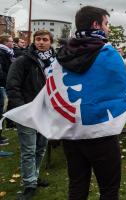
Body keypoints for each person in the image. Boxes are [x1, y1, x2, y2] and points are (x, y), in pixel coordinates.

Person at [56, 6, 123, 200]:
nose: (108, 29)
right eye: (106, 24)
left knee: (77, 186)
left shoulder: (62, 54)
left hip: (71, 130)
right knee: (109, 190)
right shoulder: (108, 53)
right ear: (96, 25)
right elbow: (123, 91)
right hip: (101, 130)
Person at [6, 30, 55, 200]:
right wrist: (24, 108)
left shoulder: (55, 62)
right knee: (29, 149)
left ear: (50, 42)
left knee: (41, 148)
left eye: (45, 40)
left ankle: (34, 176)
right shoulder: (23, 61)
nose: (41, 42)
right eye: (38, 39)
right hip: (27, 112)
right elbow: (12, 86)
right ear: (34, 41)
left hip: (47, 112)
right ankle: (29, 184)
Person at [0, 35, 14, 146]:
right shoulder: (2, 53)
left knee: (2, 111)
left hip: (3, 84)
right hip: (1, 85)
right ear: (5, 42)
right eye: (11, 41)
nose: (13, 43)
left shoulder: (7, 53)